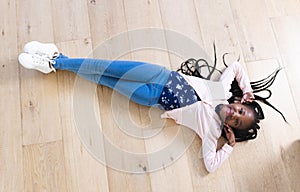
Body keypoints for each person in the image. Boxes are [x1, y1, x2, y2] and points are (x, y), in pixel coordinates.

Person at [18, 41, 285, 173]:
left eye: (237, 121)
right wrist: (248, 90)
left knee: (104, 80)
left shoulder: (212, 133)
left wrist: (228, 146)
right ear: (239, 103)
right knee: (105, 67)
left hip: (151, 97)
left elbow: (210, 165)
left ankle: (55, 59)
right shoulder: (223, 90)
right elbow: (237, 67)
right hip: (159, 75)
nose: (235, 114)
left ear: (231, 127)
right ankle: (55, 62)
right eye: (240, 110)